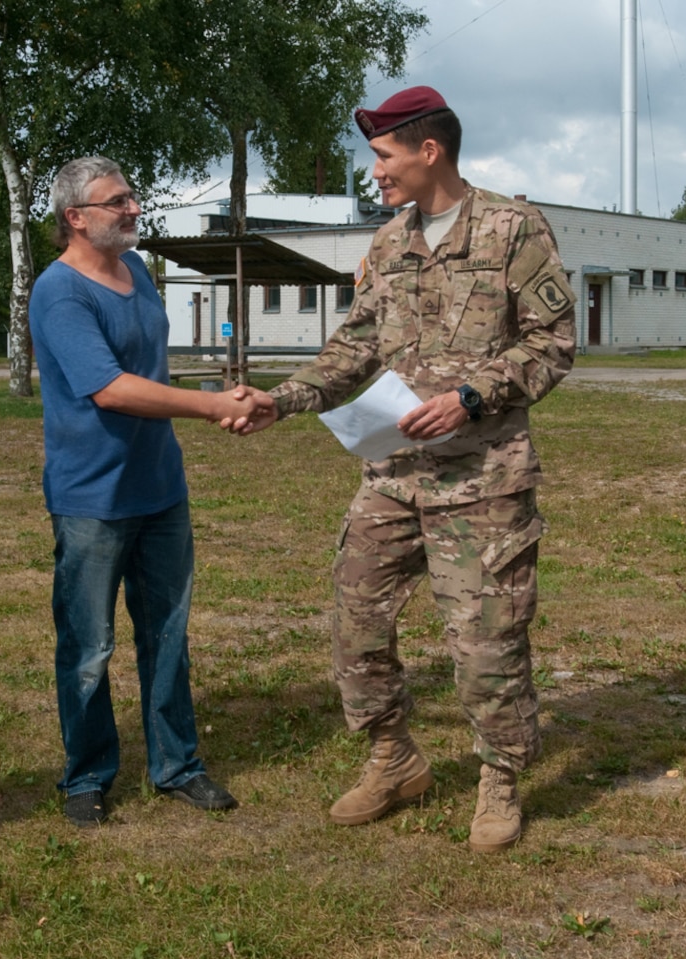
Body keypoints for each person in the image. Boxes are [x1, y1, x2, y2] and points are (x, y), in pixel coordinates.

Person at [237, 87, 576, 852]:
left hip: (482, 480)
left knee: (487, 639)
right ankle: (394, 756)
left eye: (385, 157)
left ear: (431, 151)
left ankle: (499, 777)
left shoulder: (512, 227)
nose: (376, 173)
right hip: (392, 474)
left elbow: (554, 343)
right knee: (355, 617)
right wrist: (282, 399)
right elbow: (352, 346)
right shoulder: (389, 245)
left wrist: (469, 397)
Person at [29, 156, 272, 826]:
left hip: (159, 487)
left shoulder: (135, 271)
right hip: (92, 500)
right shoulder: (59, 292)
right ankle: (86, 774)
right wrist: (211, 404)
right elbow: (109, 387)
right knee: (87, 647)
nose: (134, 209)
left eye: (133, 196)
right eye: (117, 202)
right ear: (75, 218)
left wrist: (209, 405)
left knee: (167, 633)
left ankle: (177, 764)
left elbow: (147, 368)